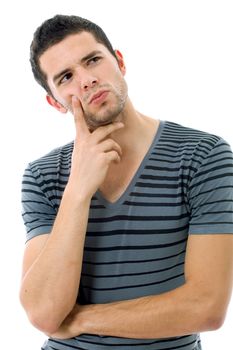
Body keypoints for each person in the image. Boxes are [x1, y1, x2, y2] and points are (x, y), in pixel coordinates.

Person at [20, 14, 233, 350]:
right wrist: (78, 189)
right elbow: (45, 313)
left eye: (93, 60)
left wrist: (82, 320)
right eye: (66, 77)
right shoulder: (42, 175)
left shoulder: (203, 155)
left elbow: (206, 307)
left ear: (119, 61)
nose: (87, 80)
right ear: (54, 102)